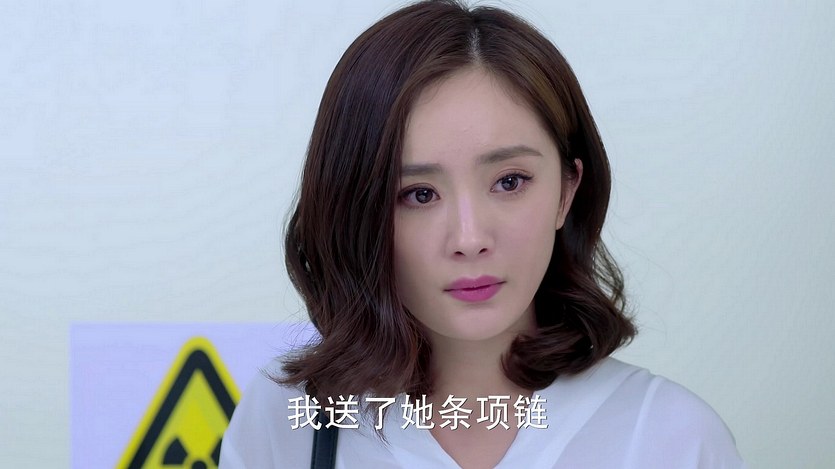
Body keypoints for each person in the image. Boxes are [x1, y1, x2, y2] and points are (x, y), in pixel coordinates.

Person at [220, 1, 745, 467]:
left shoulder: (671, 438)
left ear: (567, 191)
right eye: (418, 194)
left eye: (509, 182)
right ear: (356, 211)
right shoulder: (289, 420)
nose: (469, 238)